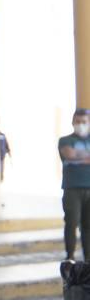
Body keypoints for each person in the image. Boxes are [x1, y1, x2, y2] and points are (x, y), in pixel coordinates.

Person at [59, 110, 90, 261]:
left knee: (88, 226)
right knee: (71, 223)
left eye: (84, 121)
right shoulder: (65, 140)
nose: (81, 125)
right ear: (73, 122)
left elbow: (74, 155)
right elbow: (68, 154)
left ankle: (88, 259)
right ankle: (70, 257)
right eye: (78, 121)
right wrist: (86, 156)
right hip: (72, 189)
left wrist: (78, 156)